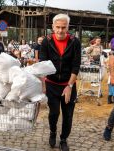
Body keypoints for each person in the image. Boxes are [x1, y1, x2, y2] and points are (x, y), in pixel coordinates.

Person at [39, 13, 81, 151]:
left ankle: (63, 139)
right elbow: (43, 64)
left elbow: (76, 66)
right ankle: (52, 132)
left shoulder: (75, 42)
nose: (60, 30)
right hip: (52, 84)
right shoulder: (47, 41)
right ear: (53, 27)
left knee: (68, 115)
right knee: (54, 113)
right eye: (58, 27)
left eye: (63, 27)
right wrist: (43, 85)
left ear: (68, 27)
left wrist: (69, 86)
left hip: (68, 85)